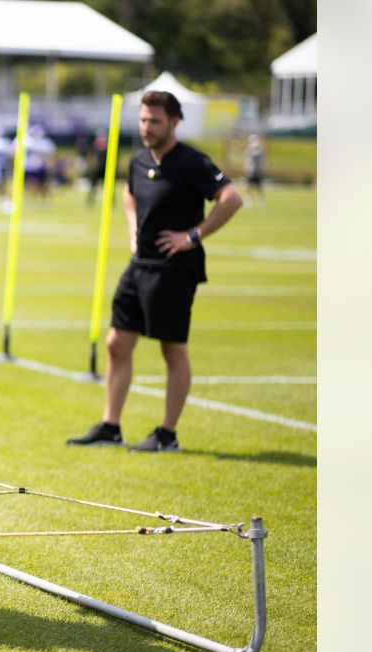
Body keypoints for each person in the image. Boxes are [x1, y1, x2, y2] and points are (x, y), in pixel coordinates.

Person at [67, 91, 243, 453]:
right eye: (144, 120)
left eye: (155, 121)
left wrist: (193, 236)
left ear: (175, 121)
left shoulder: (192, 161)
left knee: (172, 349)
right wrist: (133, 228)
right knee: (117, 343)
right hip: (139, 265)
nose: (147, 127)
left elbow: (232, 198)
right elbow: (130, 195)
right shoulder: (138, 160)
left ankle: (167, 434)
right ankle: (111, 427)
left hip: (174, 269)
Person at [244, 133, 266, 208]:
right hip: (251, 171)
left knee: (259, 187)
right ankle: (248, 199)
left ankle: (260, 200)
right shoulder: (250, 149)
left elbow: (263, 157)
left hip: (257, 171)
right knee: (249, 186)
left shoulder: (259, 149)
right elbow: (246, 154)